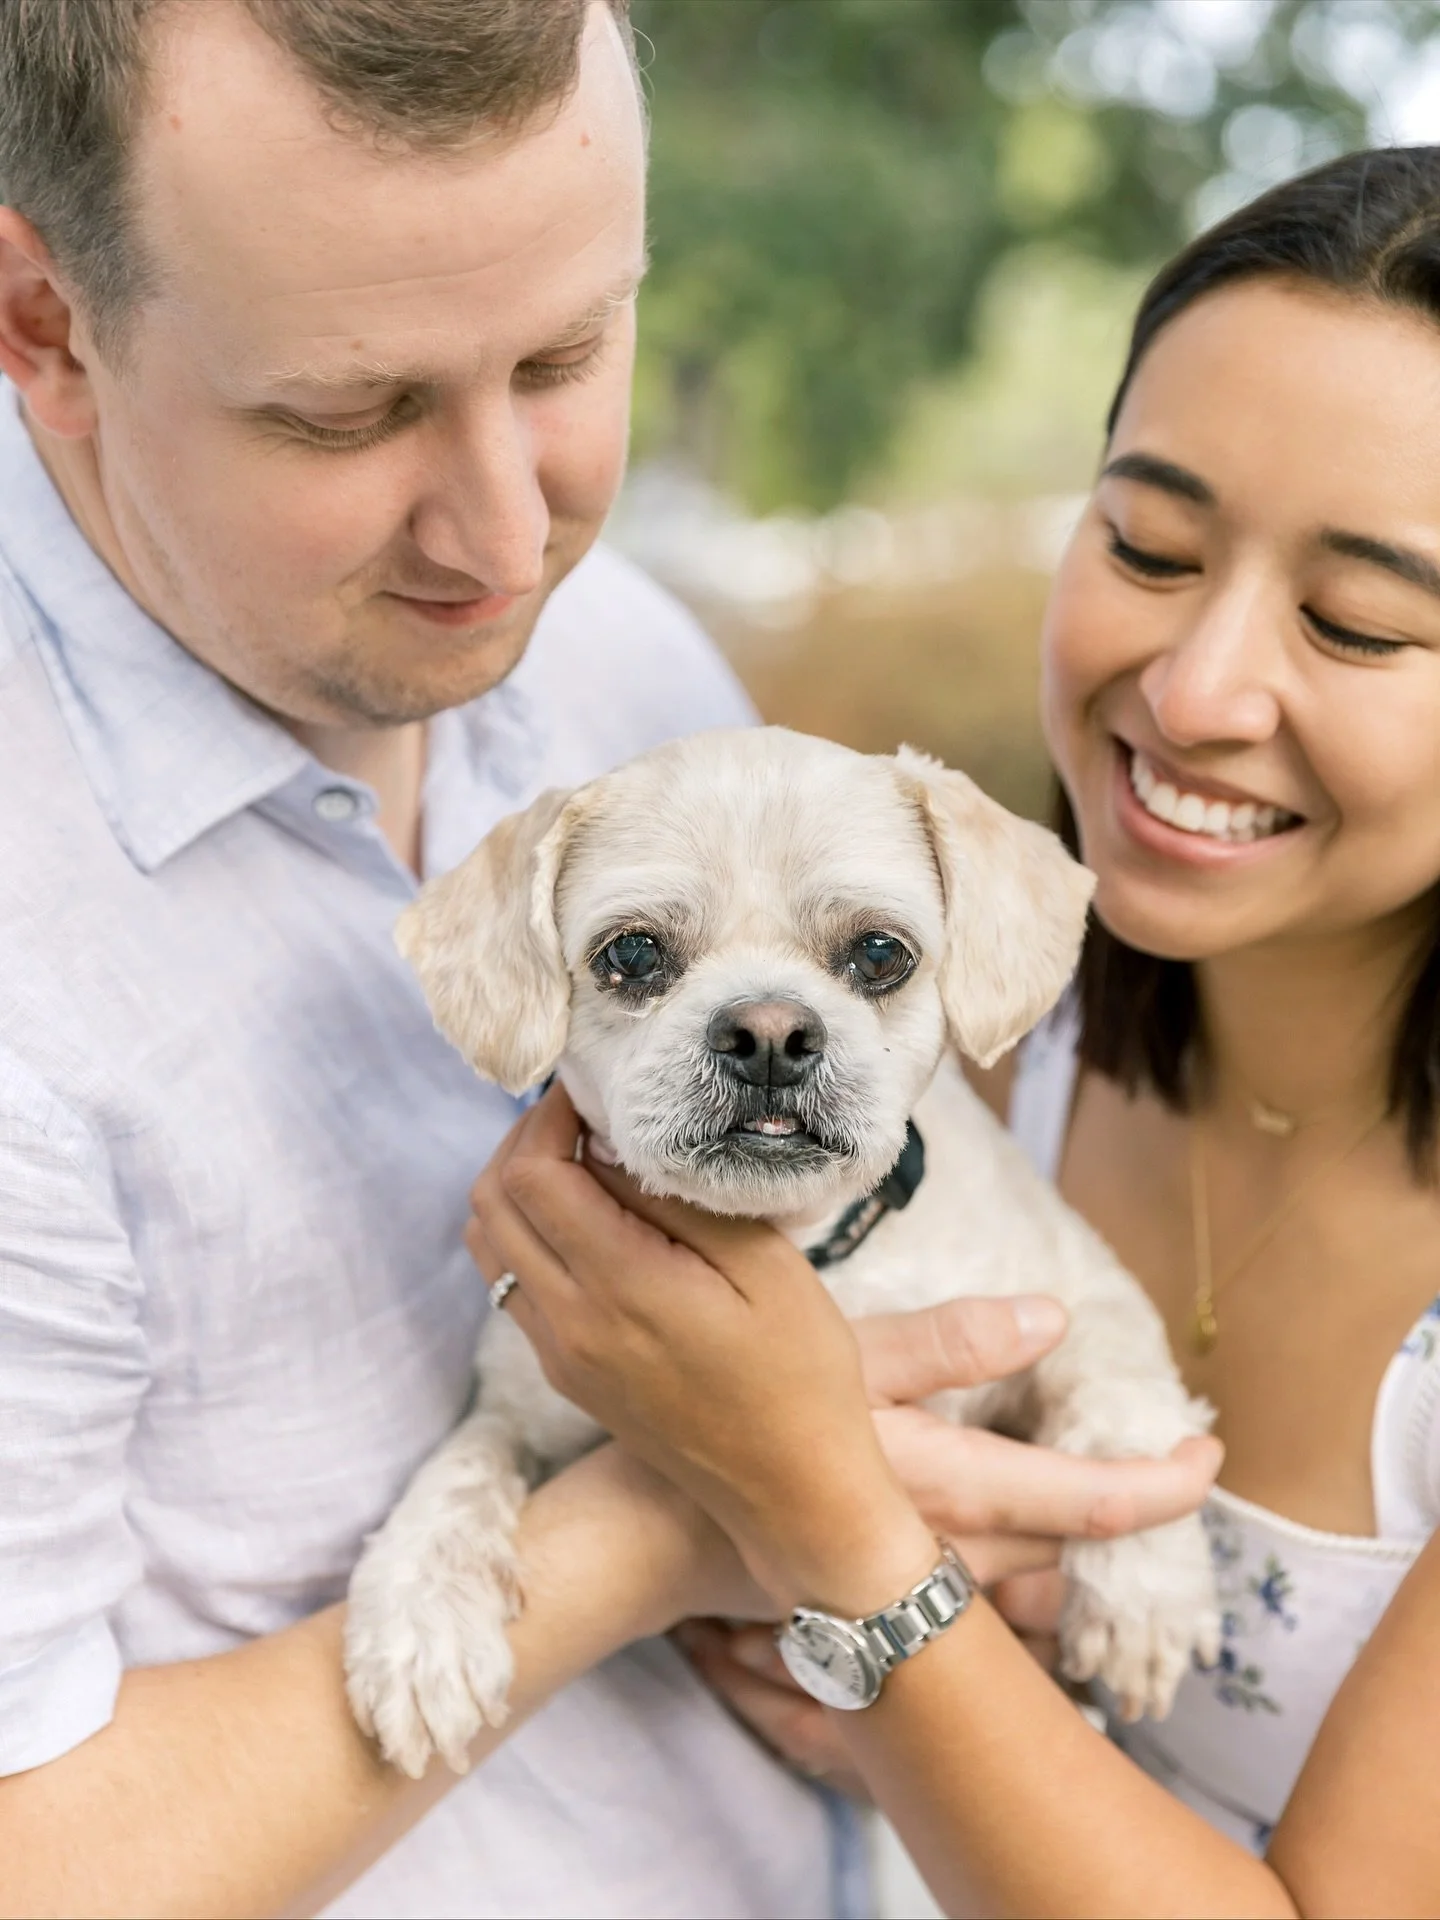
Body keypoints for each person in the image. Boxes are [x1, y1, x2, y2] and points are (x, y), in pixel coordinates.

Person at [0, 3, 1219, 1915]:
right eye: (347, 410)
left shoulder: (625, 647)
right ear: (47, 322)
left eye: (567, 353)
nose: (506, 533)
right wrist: (688, 1511)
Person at [468, 144, 1440, 1918]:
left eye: (1359, 622)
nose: (1201, 689)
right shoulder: (964, 1035)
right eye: (1148, 542)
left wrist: (827, 1525)